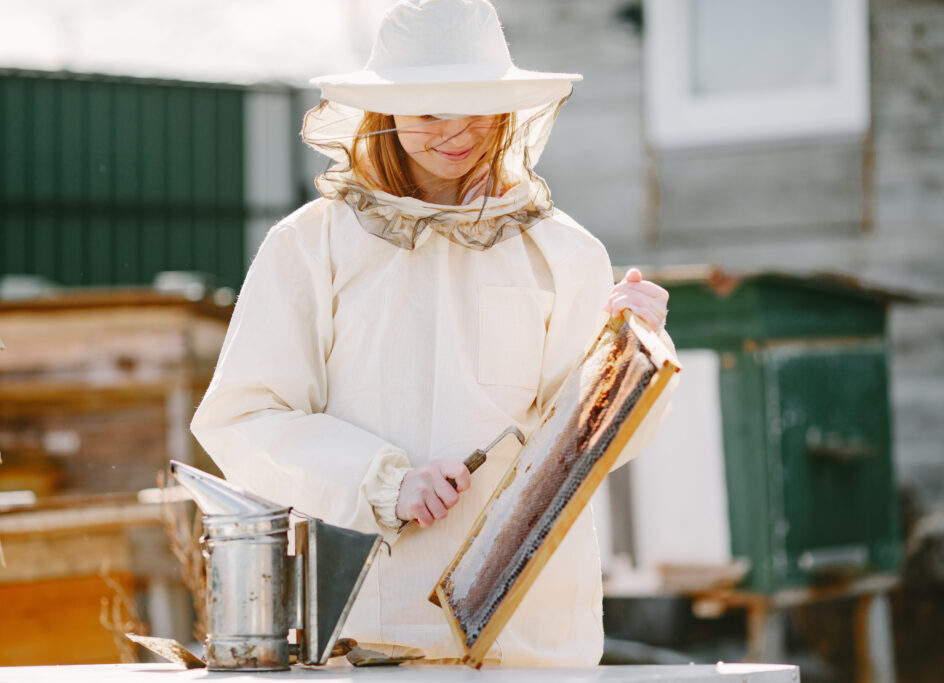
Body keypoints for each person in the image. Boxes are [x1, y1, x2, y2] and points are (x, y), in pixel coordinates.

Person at [191, 0, 674, 667]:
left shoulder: (567, 253)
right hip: (365, 638)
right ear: (384, 113)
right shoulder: (309, 246)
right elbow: (243, 419)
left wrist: (631, 350)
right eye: (429, 110)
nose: (458, 131)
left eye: (476, 105)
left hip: (532, 642)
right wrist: (384, 482)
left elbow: (587, 446)